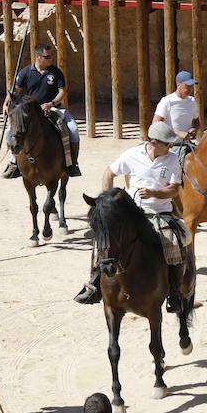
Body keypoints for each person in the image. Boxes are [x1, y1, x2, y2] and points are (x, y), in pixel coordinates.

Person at [74, 123, 187, 312]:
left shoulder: (172, 159)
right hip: (130, 213)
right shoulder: (132, 154)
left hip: (159, 212)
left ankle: (174, 292)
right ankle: (94, 284)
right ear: (153, 142)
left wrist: (154, 193)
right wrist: (107, 203)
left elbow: (174, 189)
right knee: (104, 239)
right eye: (167, 144)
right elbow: (109, 172)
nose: (170, 147)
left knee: (176, 239)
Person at [3, 42, 81, 179]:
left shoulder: (55, 72)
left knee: (73, 129)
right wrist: (6, 104)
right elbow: (15, 92)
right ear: (38, 57)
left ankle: (71, 163)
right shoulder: (25, 72)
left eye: (51, 56)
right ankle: (13, 162)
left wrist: (51, 104)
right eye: (48, 56)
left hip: (54, 108)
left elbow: (62, 92)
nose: (51, 59)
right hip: (30, 111)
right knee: (10, 130)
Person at [153, 71, 200, 147]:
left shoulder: (192, 101)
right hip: (168, 145)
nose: (189, 89)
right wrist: (178, 133)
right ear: (178, 84)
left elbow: (197, 121)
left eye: (191, 86)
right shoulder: (167, 101)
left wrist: (194, 128)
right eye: (186, 86)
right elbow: (155, 124)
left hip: (186, 144)